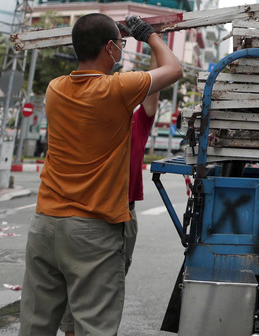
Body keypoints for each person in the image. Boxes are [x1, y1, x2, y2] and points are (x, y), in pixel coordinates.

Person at [18, 13, 182, 336]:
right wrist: (150, 36)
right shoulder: (115, 89)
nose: (121, 49)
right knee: (93, 327)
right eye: (120, 44)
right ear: (109, 48)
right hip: (92, 229)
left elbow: (149, 95)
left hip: (46, 225)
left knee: (35, 326)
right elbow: (174, 69)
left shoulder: (55, 89)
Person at [59, 54, 162, 336]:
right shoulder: (95, 118)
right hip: (87, 211)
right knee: (78, 284)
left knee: (109, 284)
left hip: (123, 213)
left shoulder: (138, 121)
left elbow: (155, 86)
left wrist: (156, 43)